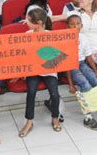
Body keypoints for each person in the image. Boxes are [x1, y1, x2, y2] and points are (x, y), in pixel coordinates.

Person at [16, 8, 61, 137]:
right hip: (33, 70)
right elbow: (25, 55)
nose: (26, 22)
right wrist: (23, 71)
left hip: (49, 71)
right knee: (31, 92)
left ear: (39, 22)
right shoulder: (27, 34)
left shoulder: (51, 35)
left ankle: (55, 117)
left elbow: (56, 55)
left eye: (29, 20)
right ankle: (29, 122)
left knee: (54, 93)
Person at [66, 14, 97, 130]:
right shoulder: (65, 39)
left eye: (77, 24)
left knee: (96, 81)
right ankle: (88, 116)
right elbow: (66, 63)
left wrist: (96, 71)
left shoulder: (83, 38)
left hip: (82, 63)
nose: (75, 26)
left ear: (81, 25)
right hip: (71, 66)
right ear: (67, 26)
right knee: (85, 84)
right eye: (72, 24)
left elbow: (88, 57)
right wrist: (71, 84)